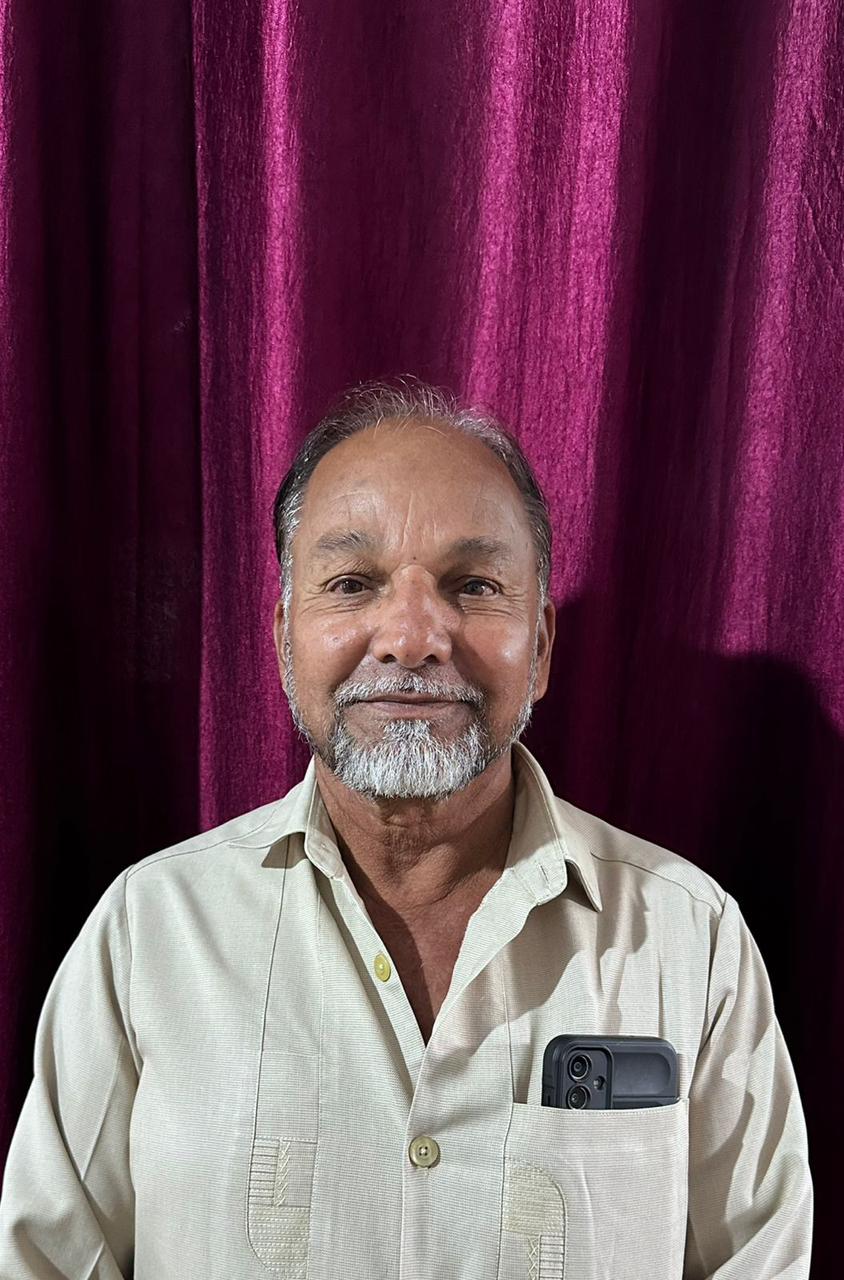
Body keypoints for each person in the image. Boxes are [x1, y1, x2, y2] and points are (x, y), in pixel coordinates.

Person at [0, 381, 812, 1278]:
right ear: (284, 641)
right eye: (353, 584)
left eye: (474, 585)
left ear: (541, 647)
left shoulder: (690, 941)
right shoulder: (149, 931)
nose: (412, 637)